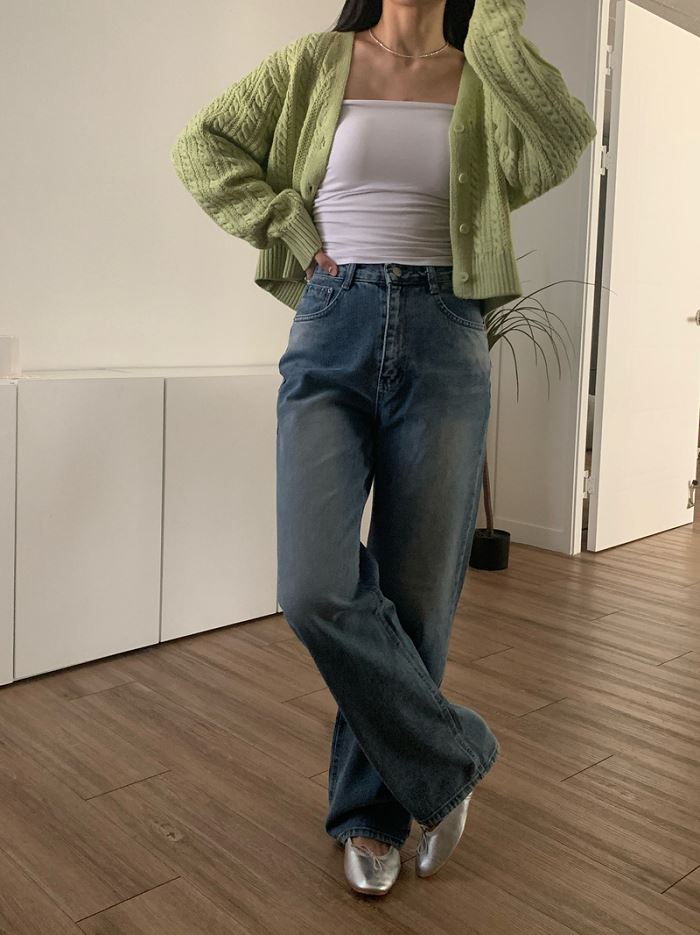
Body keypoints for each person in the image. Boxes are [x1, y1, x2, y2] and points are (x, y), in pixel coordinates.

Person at [170, 0, 598, 897]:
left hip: (448, 334)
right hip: (333, 326)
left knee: (416, 597)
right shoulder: (312, 62)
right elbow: (202, 146)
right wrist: (287, 222)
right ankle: (450, 757)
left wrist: (494, 23)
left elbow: (563, 140)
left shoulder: (483, 72)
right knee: (313, 587)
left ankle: (372, 814)